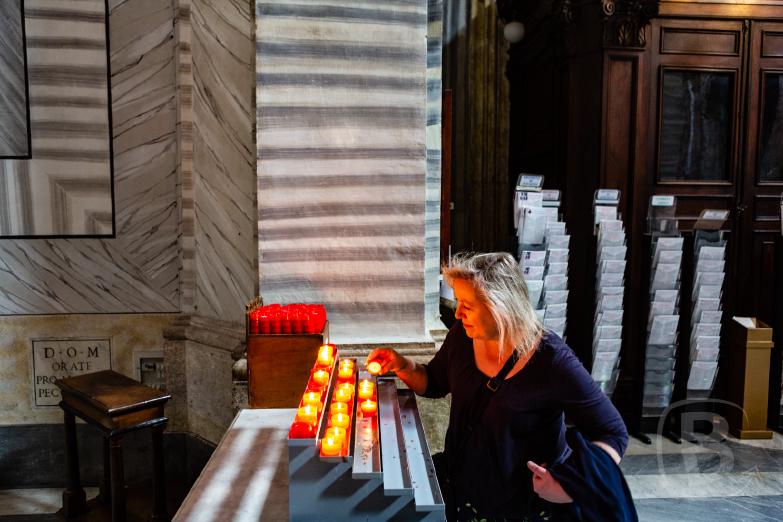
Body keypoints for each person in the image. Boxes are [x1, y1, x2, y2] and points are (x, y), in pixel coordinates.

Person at [366, 252, 630, 521]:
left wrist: (569, 485)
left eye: (467, 305)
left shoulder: (553, 362)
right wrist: (402, 364)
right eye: (457, 302)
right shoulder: (463, 335)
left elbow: (613, 433)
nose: (457, 313)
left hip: (522, 506)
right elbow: (434, 381)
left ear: (500, 307)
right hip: (464, 493)